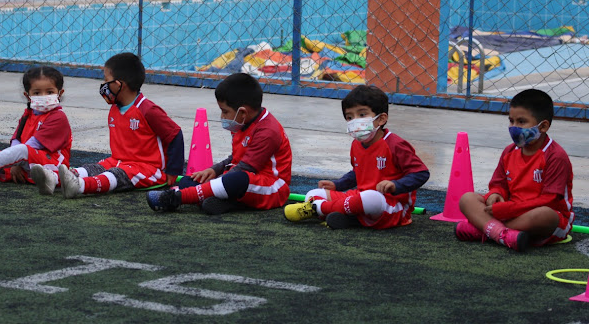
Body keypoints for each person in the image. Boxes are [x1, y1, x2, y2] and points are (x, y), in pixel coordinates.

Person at [31, 52, 184, 198]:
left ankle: (79, 186)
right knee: (93, 168)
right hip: (118, 161)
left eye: (105, 80)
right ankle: (53, 179)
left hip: (147, 168)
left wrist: (173, 170)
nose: (103, 85)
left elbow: (175, 134)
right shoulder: (115, 109)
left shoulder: (148, 110)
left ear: (118, 85)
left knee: (113, 175)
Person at [283, 85, 429, 229]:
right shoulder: (356, 144)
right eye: (349, 117)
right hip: (361, 198)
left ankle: (320, 209)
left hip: (393, 206)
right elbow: (357, 173)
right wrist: (338, 185)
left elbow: (421, 173)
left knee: (371, 198)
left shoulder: (396, 144)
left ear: (381, 119)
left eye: (362, 115)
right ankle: (343, 216)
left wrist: (396, 185)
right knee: (313, 193)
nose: (355, 121)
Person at [146, 72, 292, 215]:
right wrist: (214, 170)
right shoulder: (242, 122)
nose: (222, 117)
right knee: (188, 180)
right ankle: (226, 202)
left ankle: (177, 198)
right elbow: (235, 158)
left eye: (224, 111)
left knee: (236, 179)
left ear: (242, 112)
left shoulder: (268, 131)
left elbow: (247, 168)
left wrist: (216, 181)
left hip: (272, 187)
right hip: (240, 179)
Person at [456, 89, 573, 252]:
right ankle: (502, 234)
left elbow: (550, 200)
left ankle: (484, 229)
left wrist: (508, 210)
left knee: (545, 215)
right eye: (511, 121)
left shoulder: (556, 156)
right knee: (467, 199)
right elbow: (498, 184)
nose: (514, 127)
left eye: (521, 122)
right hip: (509, 211)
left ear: (543, 126)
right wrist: (495, 195)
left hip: (540, 218)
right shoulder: (509, 152)